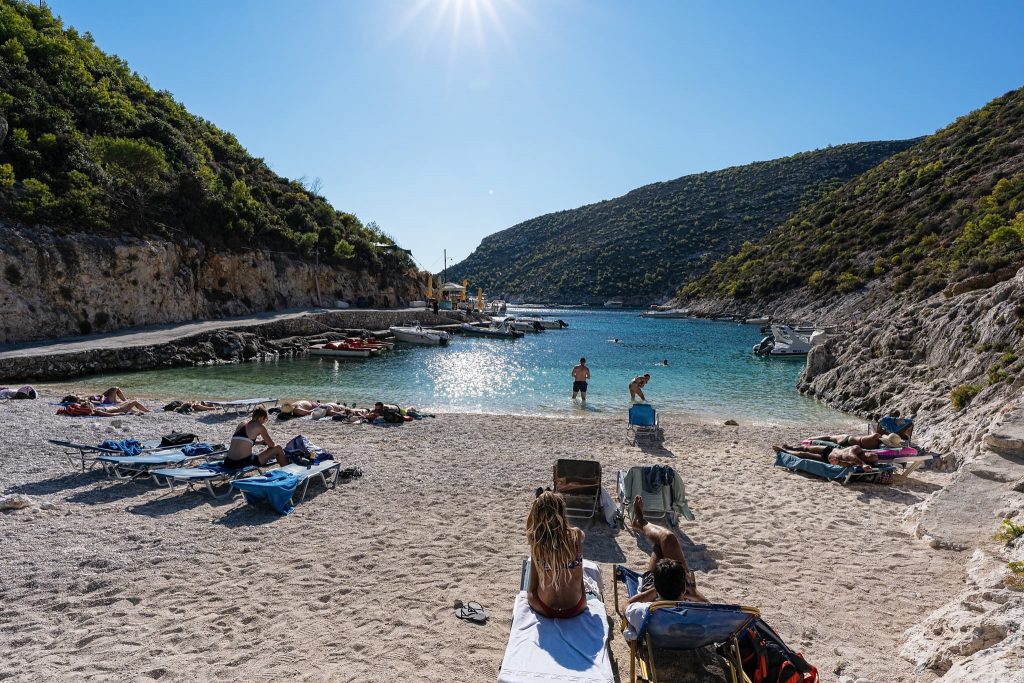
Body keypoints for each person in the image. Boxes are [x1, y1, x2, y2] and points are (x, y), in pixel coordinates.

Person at [526, 491, 587, 619]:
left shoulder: (538, 541)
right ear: (561, 512)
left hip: (545, 608)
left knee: (532, 585)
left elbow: (529, 528)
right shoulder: (576, 535)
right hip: (577, 606)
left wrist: (535, 504)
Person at [773, 444, 879, 469]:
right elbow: (850, 455)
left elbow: (847, 464)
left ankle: (785, 451)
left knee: (803, 455)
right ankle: (792, 447)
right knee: (806, 448)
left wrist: (838, 463)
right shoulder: (856, 449)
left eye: (870, 458)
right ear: (867, 452)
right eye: (870, 455)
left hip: (829, 460)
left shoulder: (858, 463)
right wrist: (863, 464)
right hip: (830, 450)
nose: (869, 456)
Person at [59, 400, 150, 416]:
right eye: (90, 404)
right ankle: (148, 411)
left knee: (129, 402)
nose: (92, 405)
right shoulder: (96, 411)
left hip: (117, 407)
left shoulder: (95, 409)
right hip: (119, 409)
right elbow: (105, 414)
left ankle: (141, 412)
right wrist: (118, 414)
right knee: (134, 402)